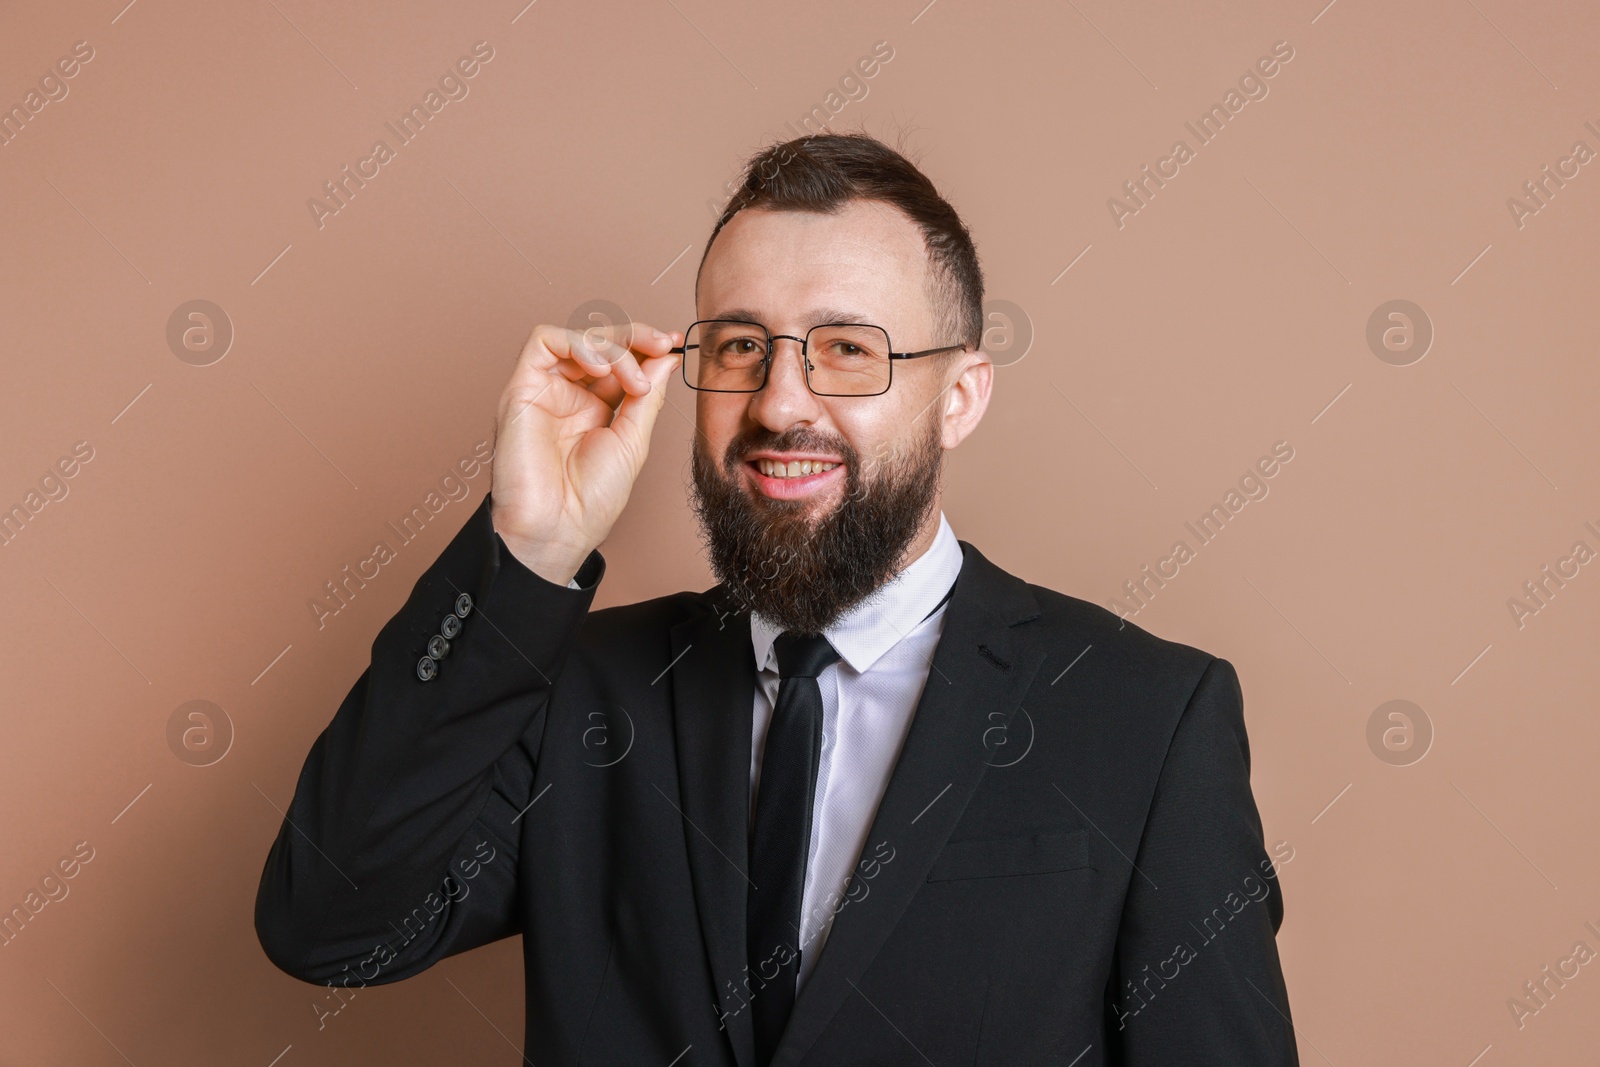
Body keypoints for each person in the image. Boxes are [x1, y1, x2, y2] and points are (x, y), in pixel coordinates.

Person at [255, 132, 1299, 1065]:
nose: (781, 402)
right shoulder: (573, 688)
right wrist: (529, 551)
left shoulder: (1147, 716)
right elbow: (330, 926)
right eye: (740, 345)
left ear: (961, 395)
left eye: (848, 349)